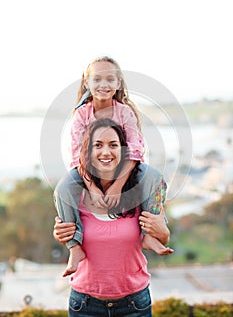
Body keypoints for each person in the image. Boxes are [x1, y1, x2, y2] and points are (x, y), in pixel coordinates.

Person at [54, 56, 173, 277]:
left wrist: (118, 186)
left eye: (110, 79)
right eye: (97, 79)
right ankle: (74, 246)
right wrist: (93, 188)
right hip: (87, 171)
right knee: (62, 189)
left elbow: (135, 151)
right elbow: (77, 155)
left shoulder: (124, 112)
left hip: (125, 169)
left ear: (118, 83)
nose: (104, 84)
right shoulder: (82, 114)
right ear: (86, 83)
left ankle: (150, 234)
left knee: (154, 177)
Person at [54, 118, 172, 317]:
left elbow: (165, 236)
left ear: (124, 152)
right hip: (84, 304)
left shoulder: (140, 190)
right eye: (97, 145)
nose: (106, 152)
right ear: (87, 152)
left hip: (135, 303)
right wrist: (64, 236)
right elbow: (64, 227)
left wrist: (162, 233)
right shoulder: (75, 193)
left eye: (113, 145)